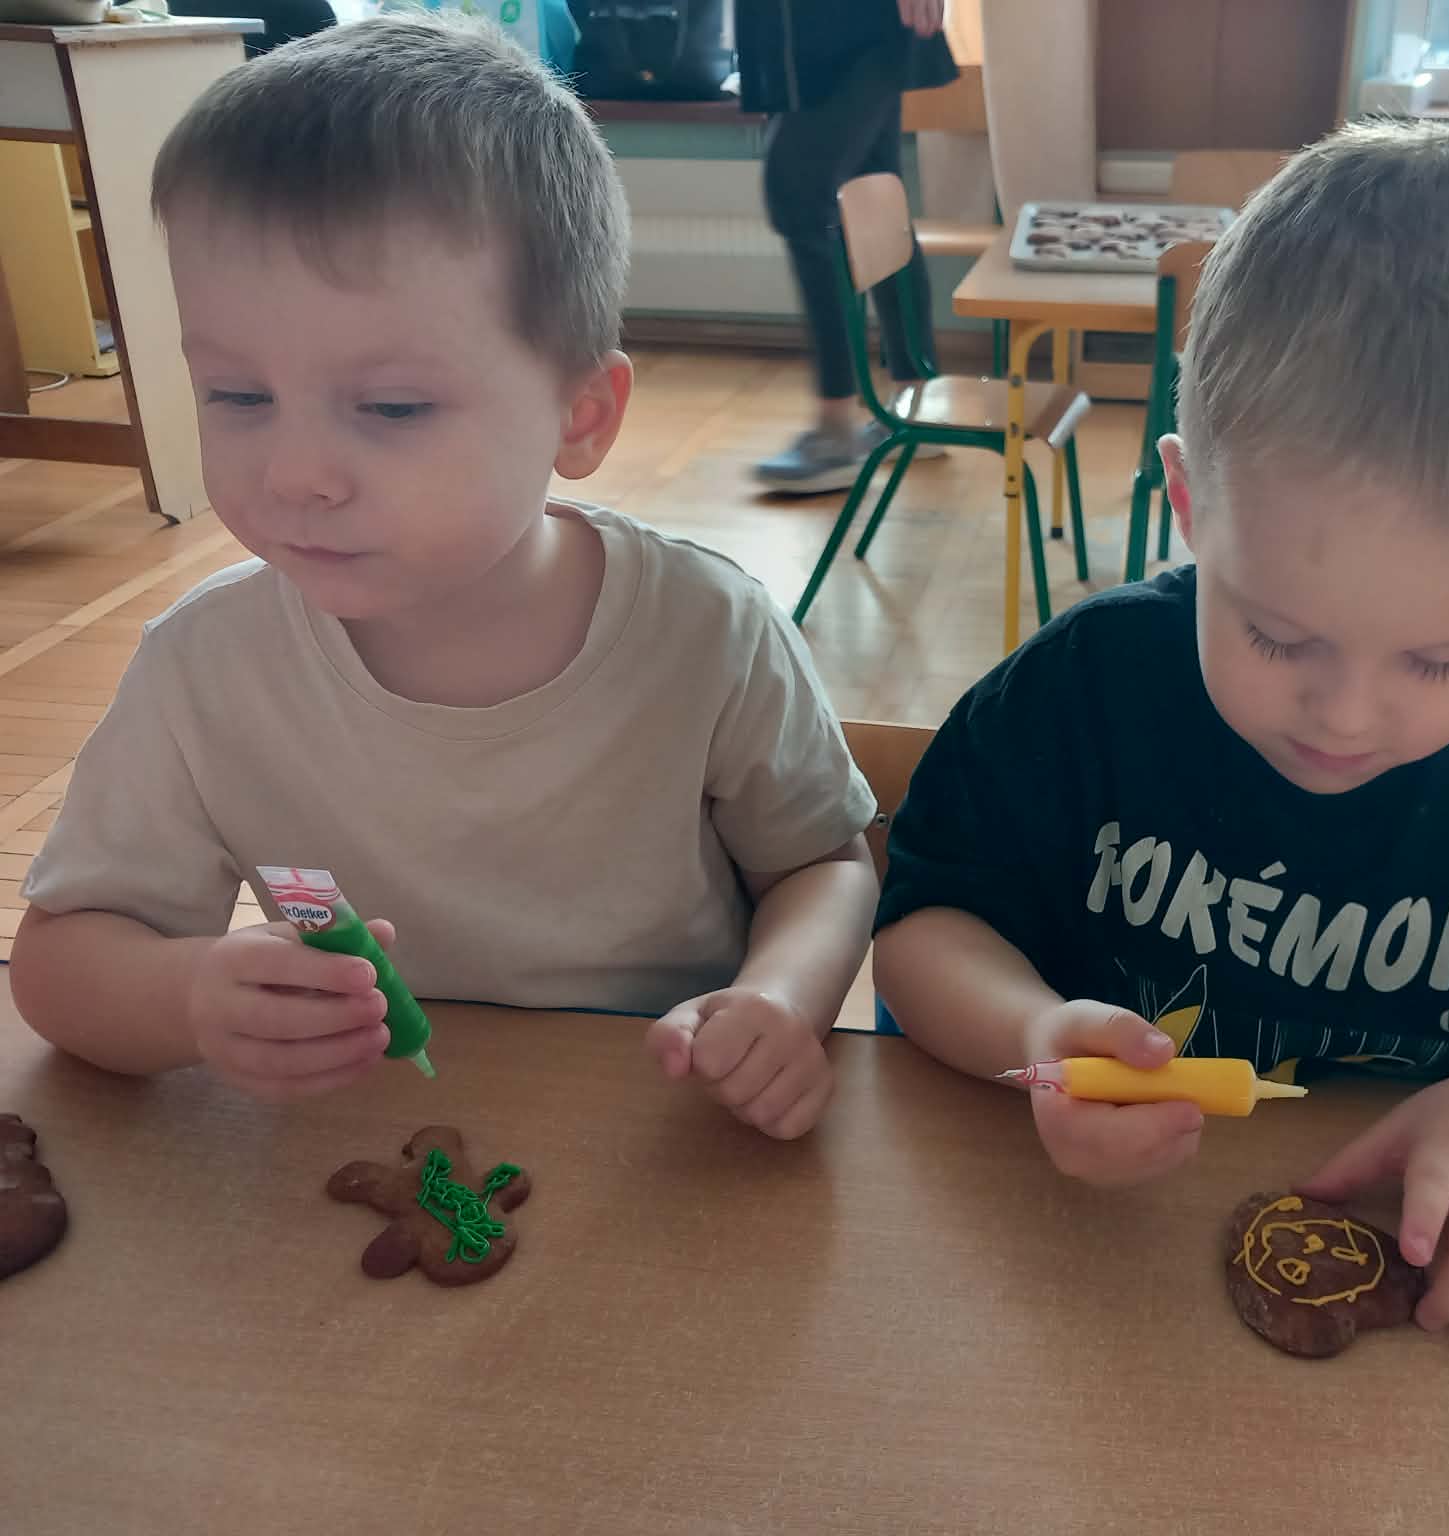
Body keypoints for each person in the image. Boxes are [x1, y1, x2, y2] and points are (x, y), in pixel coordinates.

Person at [871, 121, 1449, 1334]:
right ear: (1187, 503)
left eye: (1439, 658)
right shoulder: (1081, 690)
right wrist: (1030, 1034)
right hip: (1088, 1270)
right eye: (1277, 637)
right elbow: (921, 929)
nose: (1347, 714)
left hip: (1414, 1314)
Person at [9, 15, 878, 1143]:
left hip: (662, 1141)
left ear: (581, 416)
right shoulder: (203, 670)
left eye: (392, 407)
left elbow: (825, 862)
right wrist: (185, 998)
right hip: (359, 1152)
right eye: (237, 395)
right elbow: (61, 962)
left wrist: (780, 998)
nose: (296, 473)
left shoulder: (707, 628)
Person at [735, 0, 957, 494]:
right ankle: (916, 410)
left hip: (854, 26)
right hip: (815, 31)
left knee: (796, 196)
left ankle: (836, 433)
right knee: (875, 198)